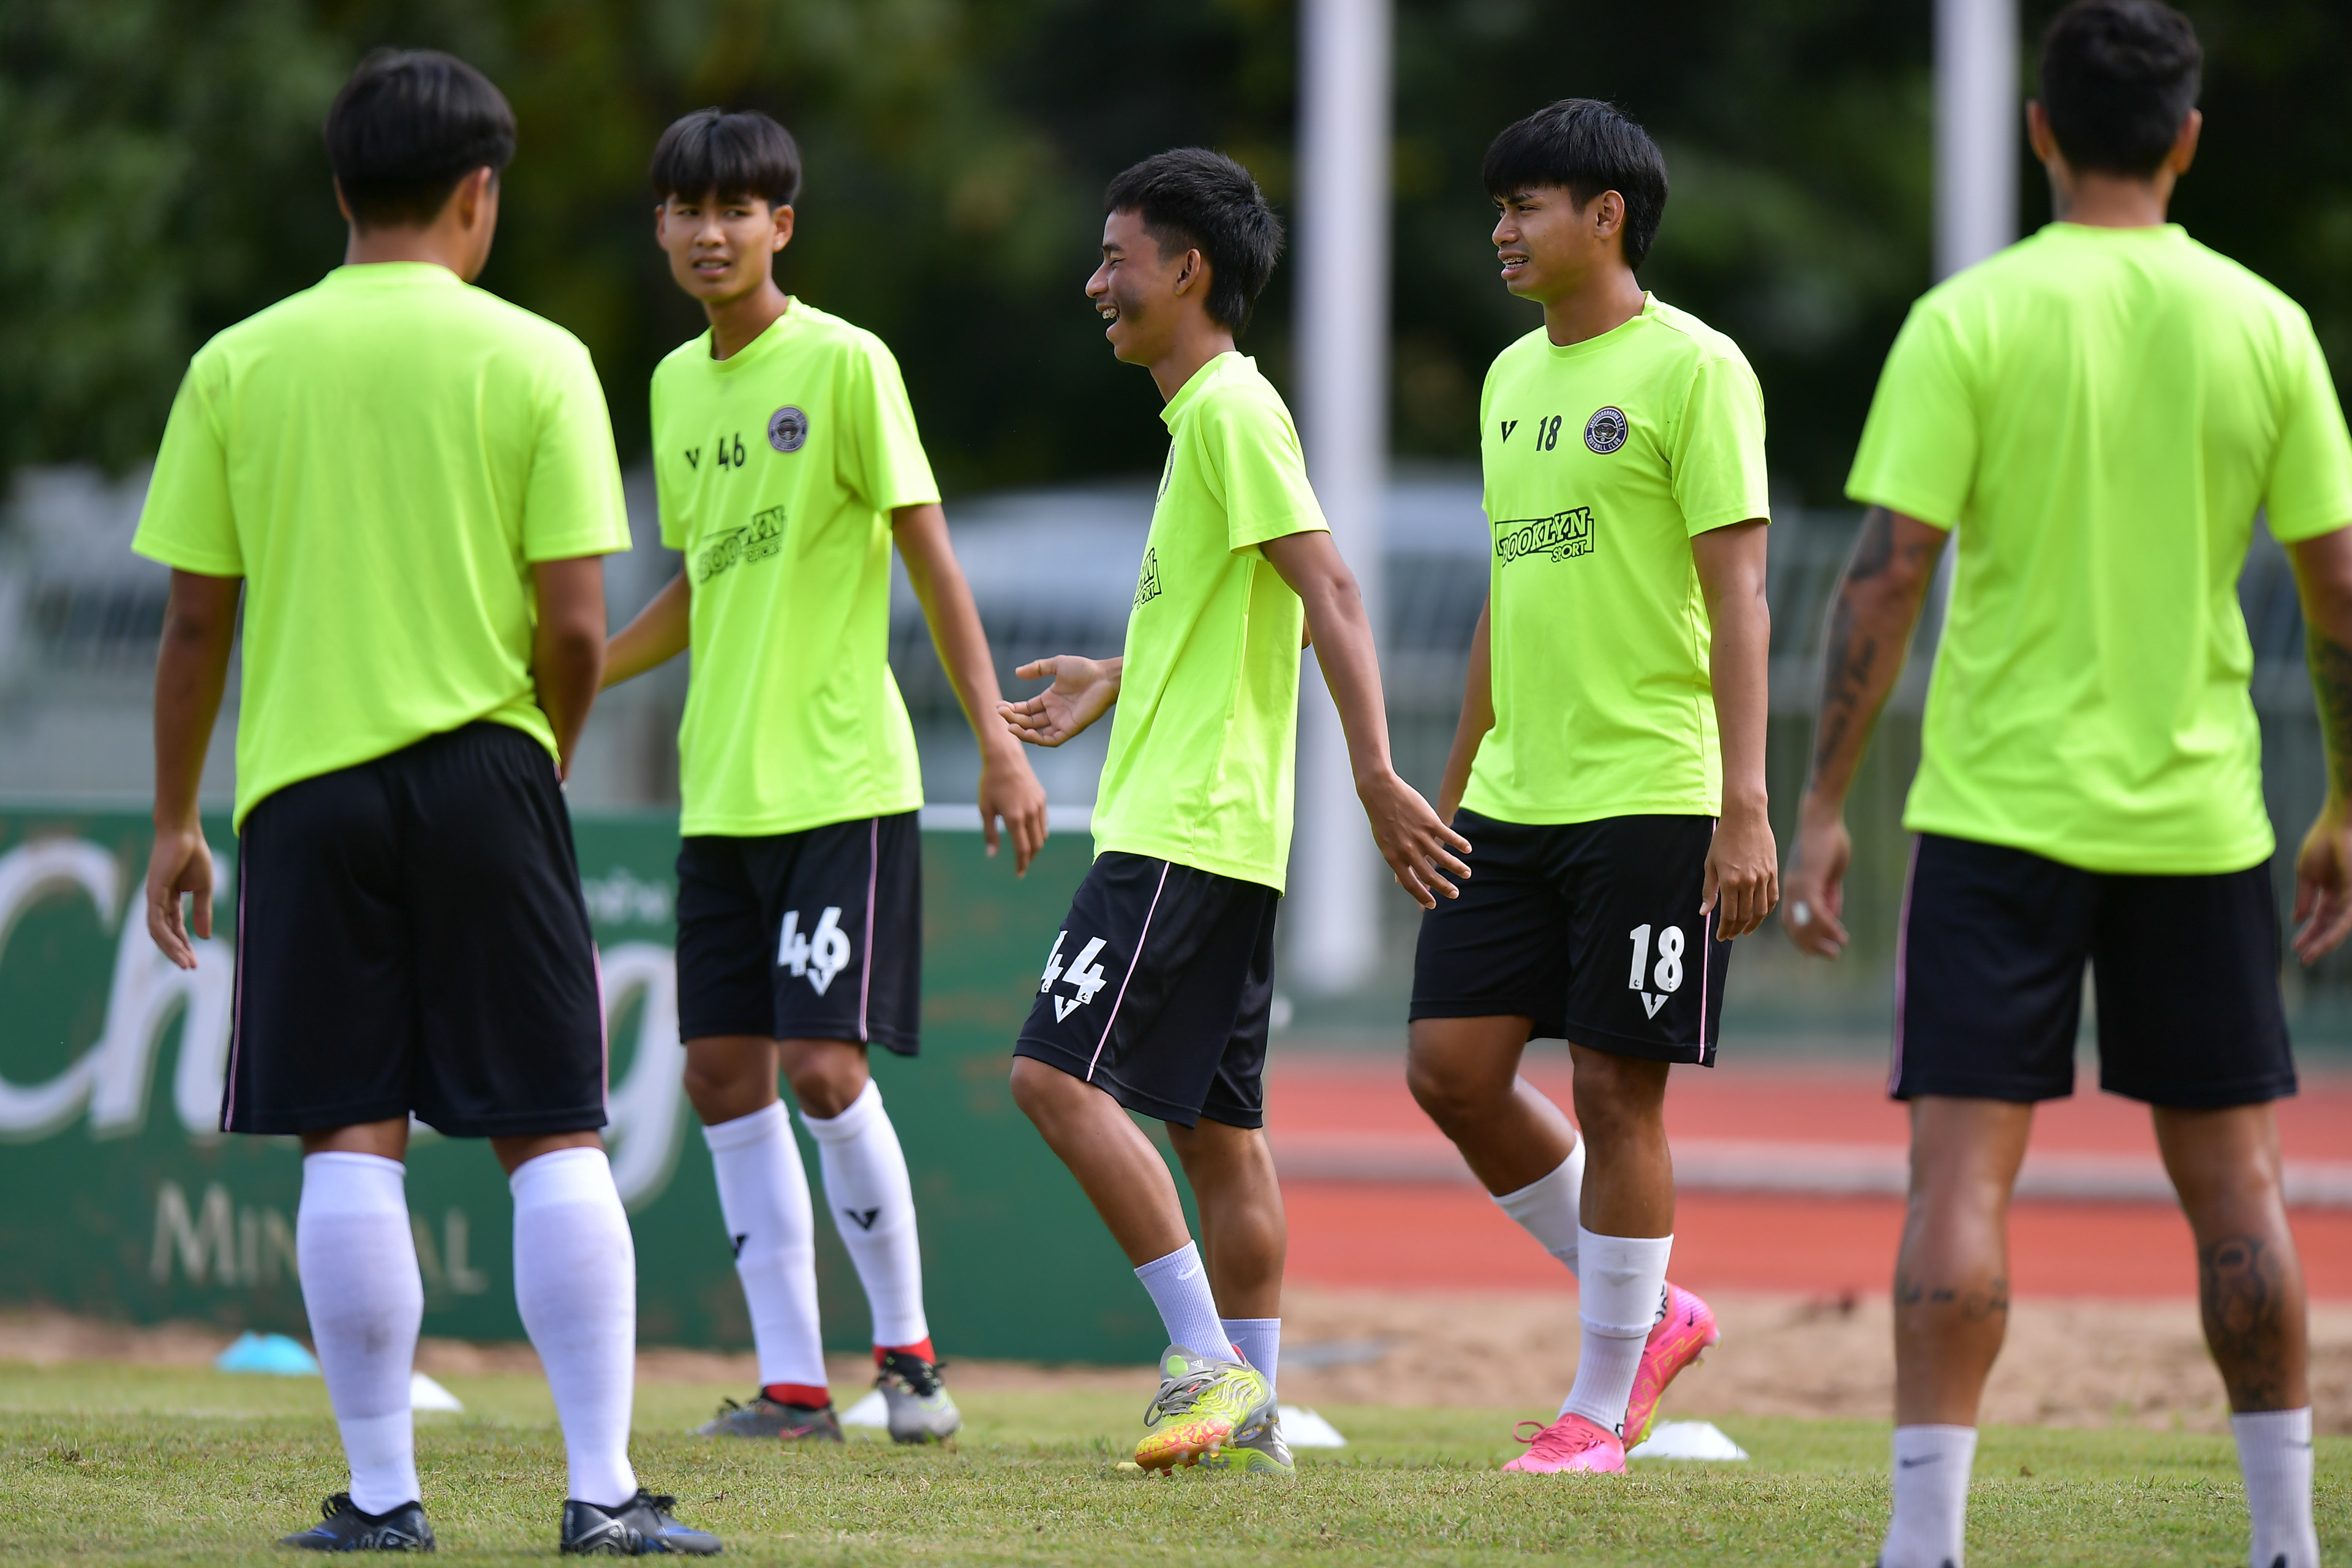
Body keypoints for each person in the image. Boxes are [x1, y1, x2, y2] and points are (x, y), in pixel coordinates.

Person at [1781, 5, 2350, 1565]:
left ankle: (1925, 1540)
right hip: (2201, 819)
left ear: (2039, 130)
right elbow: (2339, 591)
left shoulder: (1966, 320)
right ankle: (2287, 1540)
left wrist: (1821, 805)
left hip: (1995, 816)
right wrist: (2346, 803)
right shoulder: (2267, 326)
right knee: (2239, 1186)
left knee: (1959, 1178)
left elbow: (1887, 577)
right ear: (2187, 140)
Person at [134, 49, 717, 1556]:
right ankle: (600, 1491)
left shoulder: (237, 363)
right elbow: (576, 628)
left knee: (348, 1137)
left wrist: (177, 819)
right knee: (553, 1132)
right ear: (480, 192)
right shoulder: (538, 359)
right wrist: (545, 747)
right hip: (486, 770)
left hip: (305, 790)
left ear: (340, 187)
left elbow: (194, 626)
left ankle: (385, 1498)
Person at [997, 148, 1469, 1476]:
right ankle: (1253, 1413)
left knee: (1050, 1076)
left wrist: (1375, 773)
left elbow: (1334, 592)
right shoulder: (1213, 419)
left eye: (1117, 260)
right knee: (1218, 1135)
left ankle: (1206, 1360)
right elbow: (1251, 614)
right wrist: (1120, 669)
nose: (1097, 284)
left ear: (1188, 269)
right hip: (1225, 833)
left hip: (1182, 828)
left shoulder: (1229, 412)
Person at [601, 107, 1048, 1447]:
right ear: (661, 227)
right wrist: (575, 679)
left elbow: (929, 552)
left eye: (736, 209)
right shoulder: (674, 387)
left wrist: (998, 738)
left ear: (781, 225)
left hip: (841, 784)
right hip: (719, 796)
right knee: (719, 1074)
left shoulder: (847, 363)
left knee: (822, 1067)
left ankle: (909, 1363)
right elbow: (702, 583)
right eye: (687, 210)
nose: (710, 232)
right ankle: (796, 1385)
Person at [1403, 99, 1777, 1476]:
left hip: (1652, 790)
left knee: (1618, 1089)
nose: (1501, 232)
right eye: (1499, 209)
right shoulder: (1510, 379)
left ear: (1605, 216)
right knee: (1449, 1071)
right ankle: (1655, 1306)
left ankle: (1601, 1405)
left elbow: (1741, 598)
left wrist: (1746, 802)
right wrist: (1450, 789)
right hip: (1515, 797)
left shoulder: (1697, 369)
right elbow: (1508, 595)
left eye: (1526, 207)